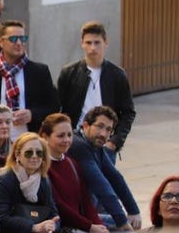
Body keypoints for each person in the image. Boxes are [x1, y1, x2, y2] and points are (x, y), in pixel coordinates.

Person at [0, 20, 58, 142]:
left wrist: (32, 114)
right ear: (1, 41)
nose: (19, 43)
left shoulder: (39, 71)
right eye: (14, 39)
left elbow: (53, 106)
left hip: (31, 140)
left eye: (23, 38)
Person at [57, 21, 136, 155]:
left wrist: (115, 142)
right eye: (88, 43)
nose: (92, 48)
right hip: (75, 140)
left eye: (97, 42)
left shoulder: (117, 75)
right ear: (82, 43)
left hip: (105, 142)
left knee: (105, 176)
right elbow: (58, 108)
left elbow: (128, 113)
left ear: (105, 43)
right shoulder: (69, 72)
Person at [67, 106, 142, 232]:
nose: (104, 134)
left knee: (130, 222)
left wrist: (133, 210)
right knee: (124, 230)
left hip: (87, 208)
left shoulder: (96, 145)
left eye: (108, 130)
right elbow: (100, 184)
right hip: (73, 215)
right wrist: (122, 221)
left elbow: (115, 177)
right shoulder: (78, 145)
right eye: (99, 126)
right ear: (85, 126)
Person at [40, 113, 110, 233]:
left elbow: (85, 200)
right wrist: (91, 227)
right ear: (45, 137)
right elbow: (60, 207)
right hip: (62, 228)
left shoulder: (72, 163)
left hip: (82, 224)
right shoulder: (42, 168)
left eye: (69, 135)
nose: (66, 140)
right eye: (60, 136)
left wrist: (98, 226)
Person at [0, 132, 61, 233]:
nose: (34, 156)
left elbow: (54, 212)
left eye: (39, 153)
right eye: (28, 153)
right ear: (17, 155)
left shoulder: (43, 179)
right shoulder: (2, 180)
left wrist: (52, 225)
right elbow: (0, 217)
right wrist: (33, 227)